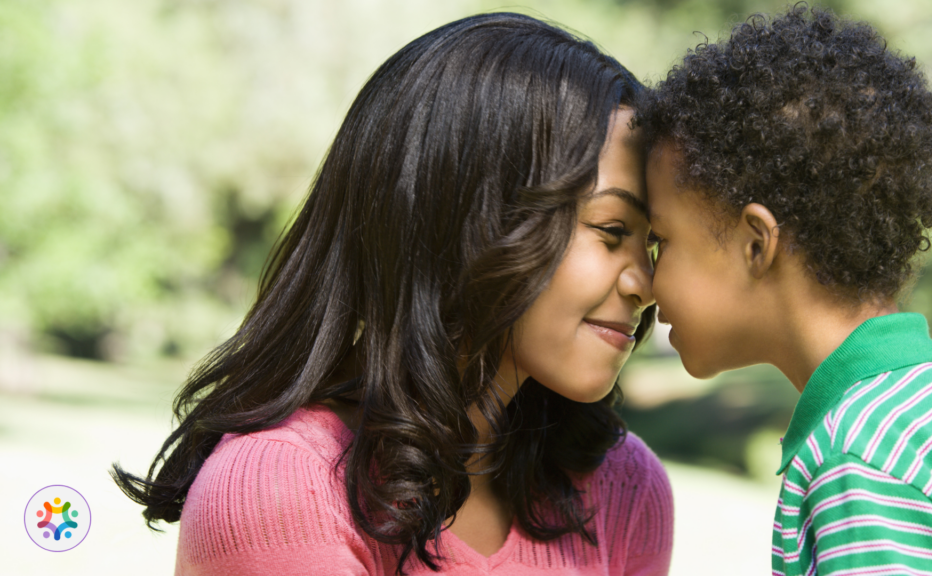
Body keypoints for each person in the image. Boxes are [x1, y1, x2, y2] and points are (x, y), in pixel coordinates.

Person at [113, 12, 673, 576]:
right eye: (611, 231)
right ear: (465, 219)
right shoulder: (281, 491)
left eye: (652, 244)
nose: (644, 285)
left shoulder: (623, 486)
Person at [638, 4, 932, 575]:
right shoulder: (917, 401)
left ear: (755, 245)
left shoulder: (859, 452)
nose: (645, 280)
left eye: (660, 241)